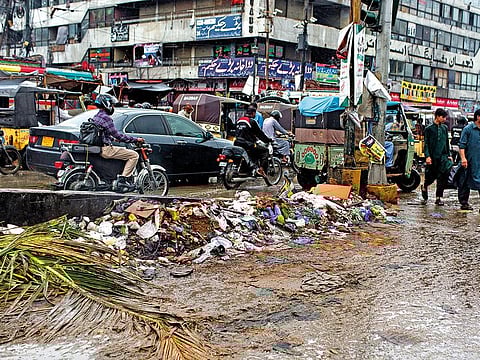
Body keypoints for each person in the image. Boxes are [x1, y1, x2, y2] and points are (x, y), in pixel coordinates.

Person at [92, 94, 144, 190]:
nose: (112, 107)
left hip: (100, 148)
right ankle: (123, 181)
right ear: (106, 104)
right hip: (106, 149)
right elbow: (117, 134)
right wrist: (135, 139)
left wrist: (112, 139)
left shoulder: (96, 116)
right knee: (134, 155)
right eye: (112, 105)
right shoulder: (106, 118)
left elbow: (102, 134)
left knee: (123, 150)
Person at [421, 108, 453, 206]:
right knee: (430, 177)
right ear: (438, 116)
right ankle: (425, 186)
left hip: (443, 157)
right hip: (432, 157)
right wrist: (427, 156)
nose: (444, 119)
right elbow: (426, 144)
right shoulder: (429, 129)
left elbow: (447, 143)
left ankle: (438, 198)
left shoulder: (444, 128)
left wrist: (449, 155)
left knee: (442, 178)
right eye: (443, 117)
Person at [234, 106, 272, 178]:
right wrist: (268, 140)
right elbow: (259, 134)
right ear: (253, 113)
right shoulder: (251, 121)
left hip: (237, 143)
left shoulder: (239, 120)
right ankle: (261, 170)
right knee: (265, 151)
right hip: (247, 144)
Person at [457, 109, 480, 211]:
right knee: (465, 182)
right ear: (478, 117)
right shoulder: (468, 129)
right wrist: (463, 158)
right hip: (469, 160)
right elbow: (462, 145)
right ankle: (464, 203)